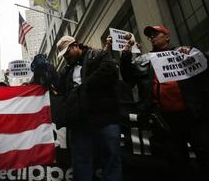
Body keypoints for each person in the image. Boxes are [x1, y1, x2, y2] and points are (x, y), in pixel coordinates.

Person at [120, 25, 209, 181]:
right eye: (150, 36)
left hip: (192, 116)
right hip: (165, 120)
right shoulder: (145, 60)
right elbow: (128, 77)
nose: (152, 37)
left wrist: (192, 52)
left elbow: (203, 69)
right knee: (178, 162)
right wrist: (126, 54)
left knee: (204, 154)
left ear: (167, 37)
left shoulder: (183, 53)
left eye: (156, 34)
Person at [56, 36, 122, 181]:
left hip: (105, 118)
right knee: (81, 164)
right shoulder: (66, 71)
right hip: (80, 124)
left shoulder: (97, 55)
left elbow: (110, 70)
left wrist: (84, 86)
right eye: (64, 55)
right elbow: (59, 90)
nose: (66, 57)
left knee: (111, 159)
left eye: (67, 53)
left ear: (75, 46)